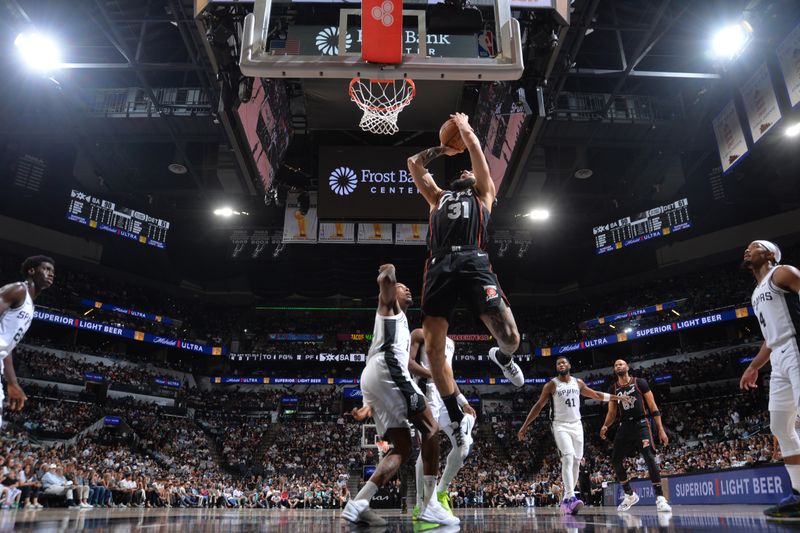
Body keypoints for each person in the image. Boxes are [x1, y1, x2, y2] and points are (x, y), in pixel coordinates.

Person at [407, 112, 524, 448]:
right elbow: (414, 162)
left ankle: (502, 358)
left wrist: (465, 127)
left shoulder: (484, 193)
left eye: (469, 170)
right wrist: (444, 149)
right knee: (433, 349)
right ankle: (456, 419)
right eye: (462, 170)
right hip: (440, 263)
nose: (464, 171)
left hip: (474, 260)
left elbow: (474, 148)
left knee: (512, 337)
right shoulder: (437, 196)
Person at [342, 264, 457, 527]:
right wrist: (389, 273)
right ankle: (429, 504)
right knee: (431, 427)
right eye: (403, 288)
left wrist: (367, 404)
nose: (409, 291)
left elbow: (394, 367)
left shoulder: (402, 326)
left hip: (376, 376)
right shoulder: (389, 308)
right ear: (394, 291)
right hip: (386, 369)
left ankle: (359, 503)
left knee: (402, 448)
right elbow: (384, 285)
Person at [517, 356, 633, 515]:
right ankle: (570, 496)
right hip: (560, 425)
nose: (561, 365)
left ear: (569, 365)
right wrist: (524, 426)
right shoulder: (551, 385)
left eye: (564, 362)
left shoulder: (578, 382)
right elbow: (538, 406)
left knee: (577, 460)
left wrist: (616, 397)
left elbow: (596, 395)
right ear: (557, 368)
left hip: (577, 424)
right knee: (568, 457)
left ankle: (566, 499)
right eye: (558, 363)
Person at [739, 240, 800, 518]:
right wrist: (754, 366)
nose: (747, 250)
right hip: (777, 357)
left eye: (753, 246)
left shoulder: (781, 272)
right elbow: (769, 338)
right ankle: (799, 493)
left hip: (795, 347)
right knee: (780, 424)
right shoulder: (755, 293)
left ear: (770, 253)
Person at [408, 329, 477, 520]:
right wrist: (435, 374)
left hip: (447, 397)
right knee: (427, 448)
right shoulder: (420, 334)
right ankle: (421, 503)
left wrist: (463, 401)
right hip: (426, 392)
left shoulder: (451, 342)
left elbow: (448, 375)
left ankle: (441, 491)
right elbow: (409, 363)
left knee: (463, 446)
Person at [600, 359, 671, 512]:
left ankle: (660, 498)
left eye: (621, 364)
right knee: (615, 460)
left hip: (641, 424)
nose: (618, 366)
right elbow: (612, 413)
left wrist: (661, 429)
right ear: (614, 370)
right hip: (624, 426)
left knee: (649, 456)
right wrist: (606, 425)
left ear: (627, 367)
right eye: (616, 365)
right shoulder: (613, 388)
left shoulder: (640, 383)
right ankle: (629, 494)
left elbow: (653, 406)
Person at [0, 255, 55, 425]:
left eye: (53, 271)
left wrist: (13, 383)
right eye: (46, 269)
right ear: (31, 271)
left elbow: (5, 348)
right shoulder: (18, 290)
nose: (51, 274)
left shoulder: (30, 305)